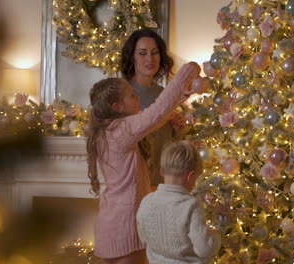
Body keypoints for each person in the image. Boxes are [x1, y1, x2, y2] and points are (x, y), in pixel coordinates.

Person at [86, 63, 200, 264]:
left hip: (110, 221)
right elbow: (156, 113)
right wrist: (186, 74)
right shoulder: (123, 130)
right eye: (131, 95)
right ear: (116, 107)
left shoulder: (106, 130)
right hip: (126, 223)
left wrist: (179, 100)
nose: (137, 97)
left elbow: (154, 118)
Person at [120, 29, 187, 188]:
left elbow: (167, 143)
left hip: (162, 183)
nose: (150, 58)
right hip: (133, 184)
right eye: (142, 53)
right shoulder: (122, 94)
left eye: (155, 52)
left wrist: (177, 130)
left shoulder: (163, 93)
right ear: (132, 58)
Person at [136, 141, 222, 264]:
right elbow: (204, 250)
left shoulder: (146, 201)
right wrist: (216, 236)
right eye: (195, 179)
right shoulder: (190, 205)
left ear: (162, 171)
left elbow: (144, 238)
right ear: (189, 176)